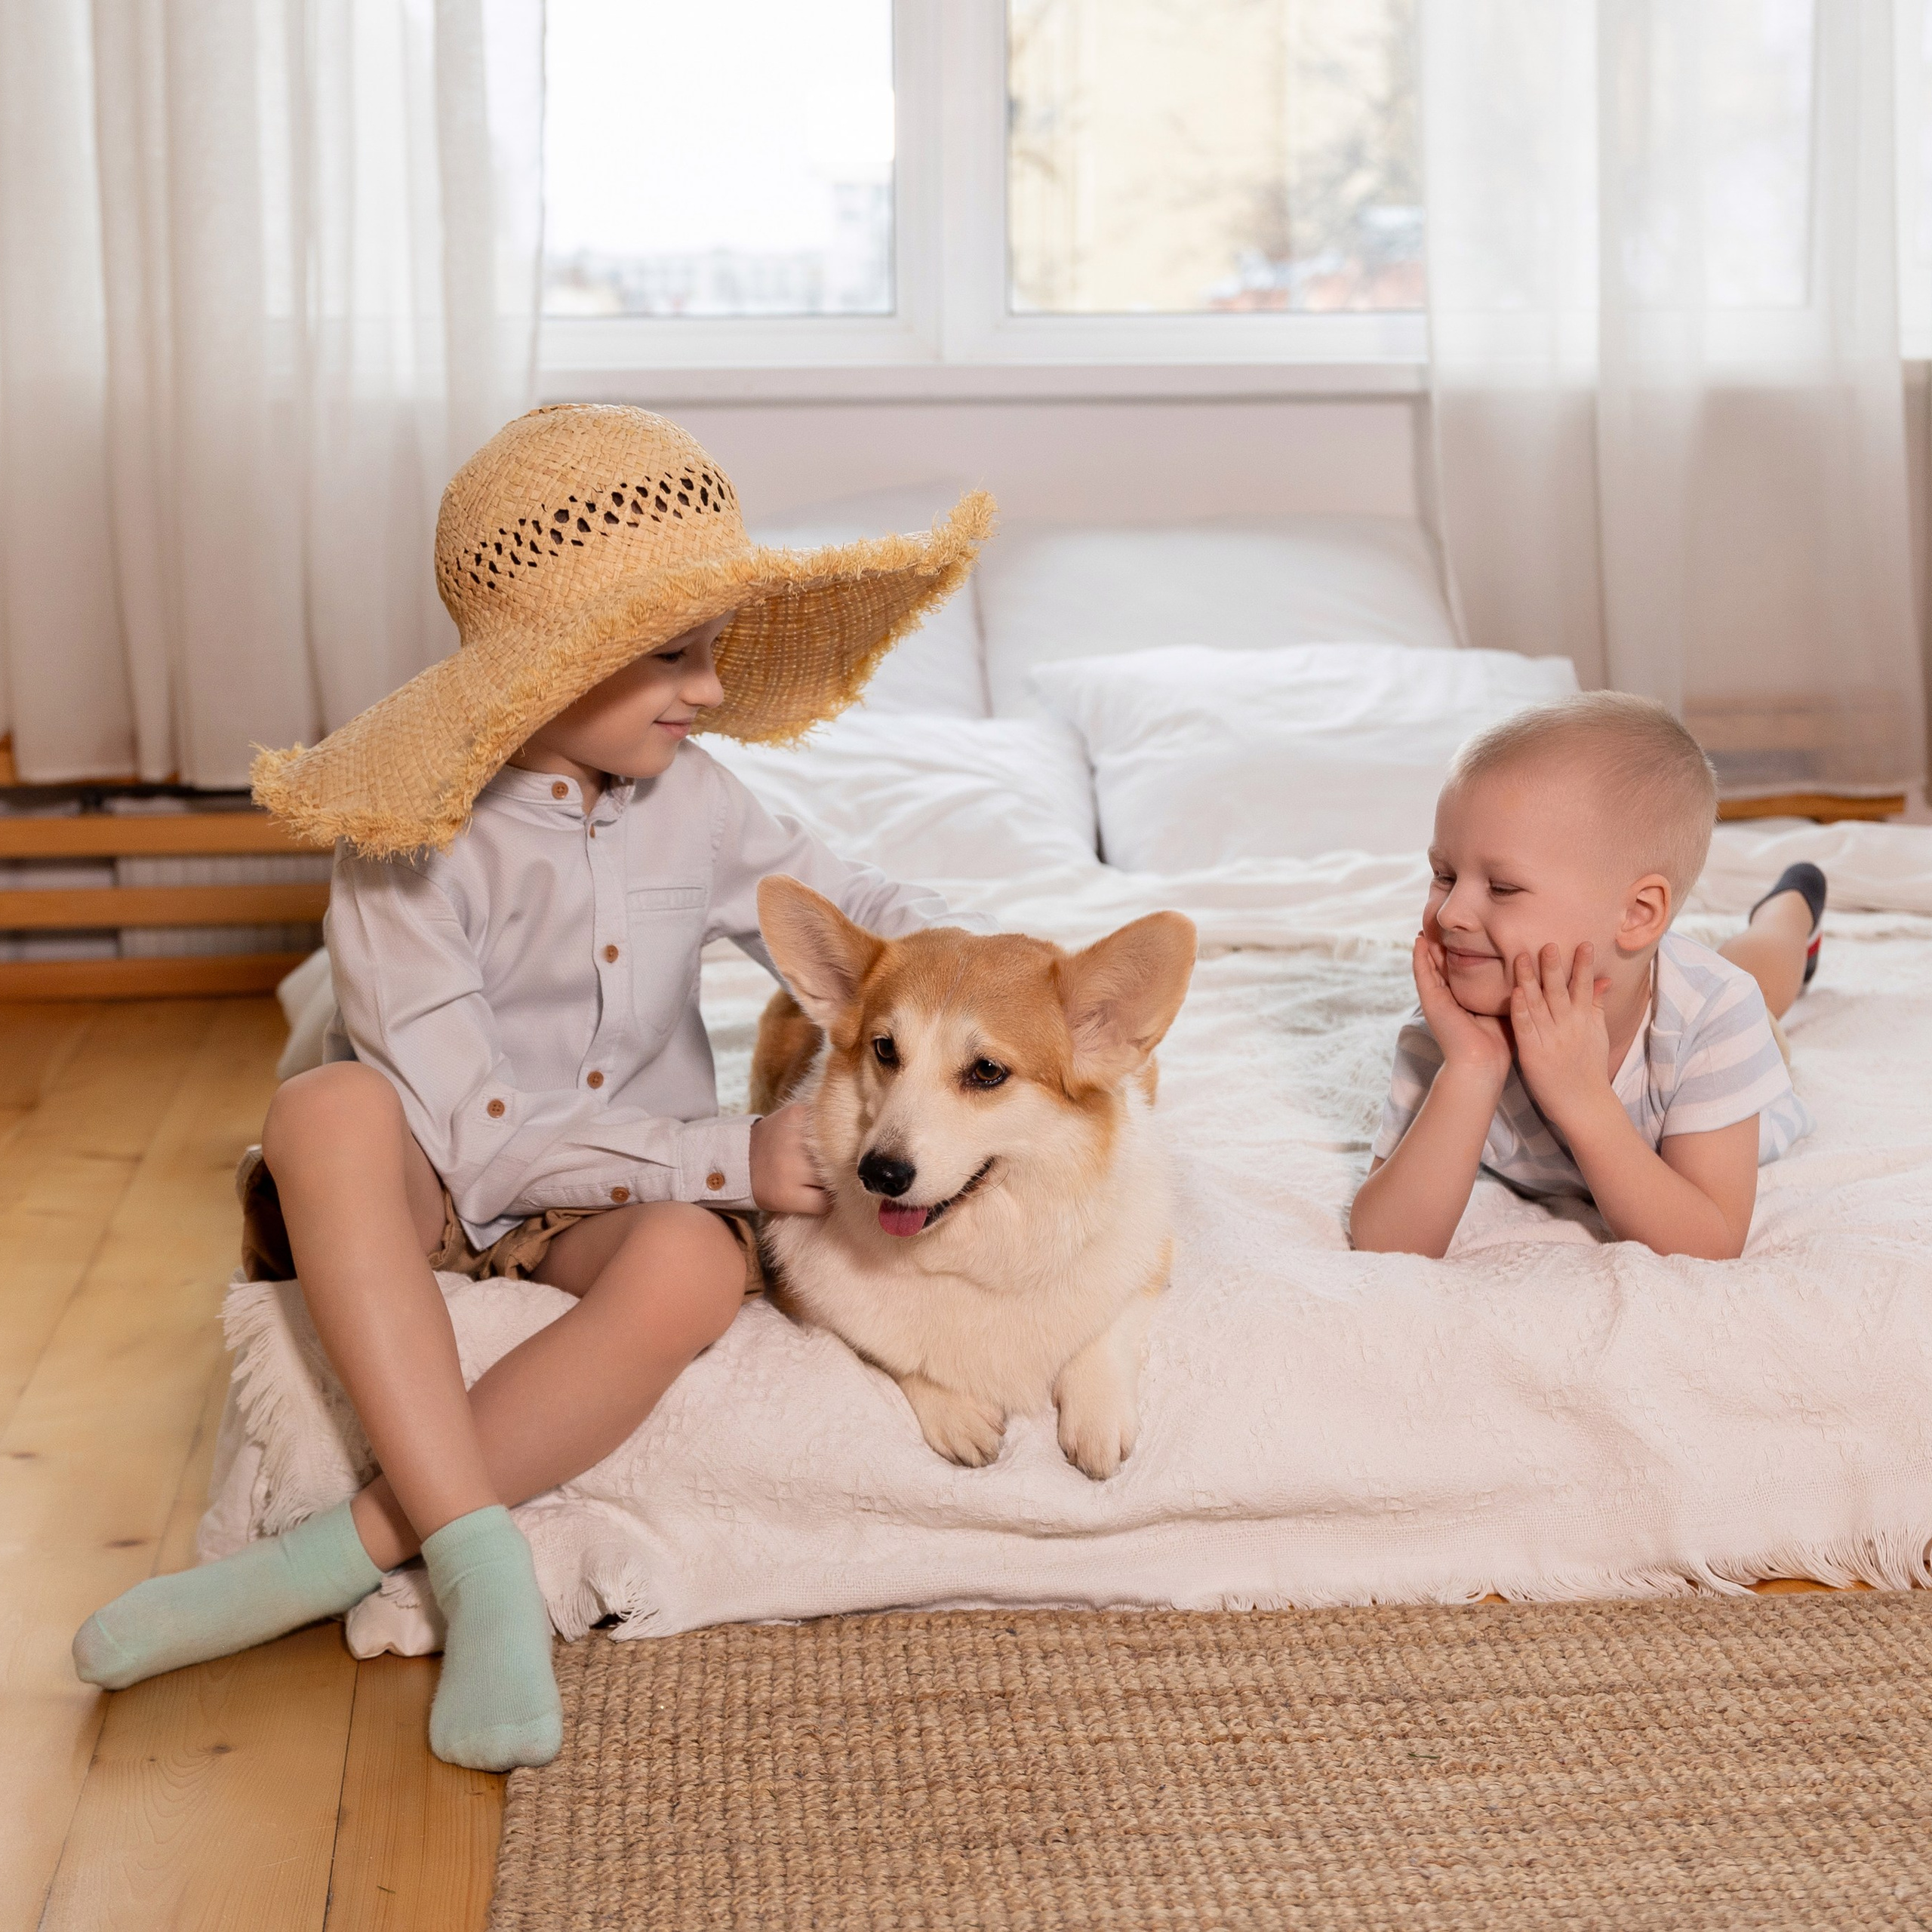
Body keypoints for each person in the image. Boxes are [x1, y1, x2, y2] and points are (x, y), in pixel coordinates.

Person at [70, 405, 994, 1770]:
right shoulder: (407, 847)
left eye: (715, 651)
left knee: (689, 1266)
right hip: (446, 1180)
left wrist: (988, 973)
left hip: (608, 1204)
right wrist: (729, 1156)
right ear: (549, 667)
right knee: (324, 1109)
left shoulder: (705, 798)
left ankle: (352, 1550)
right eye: (674, 656)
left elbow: (860, 912)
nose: (713, 691)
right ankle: (485, 1567)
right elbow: (482, 1148)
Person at [1351, 691, 1826, 1263]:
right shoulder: (1453, 1028)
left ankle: (1791, 907)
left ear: (1637, 914)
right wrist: (1472, 1068)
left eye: (1501, 887)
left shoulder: (1716, 1014)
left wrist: (1582, 1098)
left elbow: (1710, 1241)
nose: (1451, 914)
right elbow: (1387, 1243)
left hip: (1726, 1037)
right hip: (1637, 975)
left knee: (1761, 980)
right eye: (1444, 875)